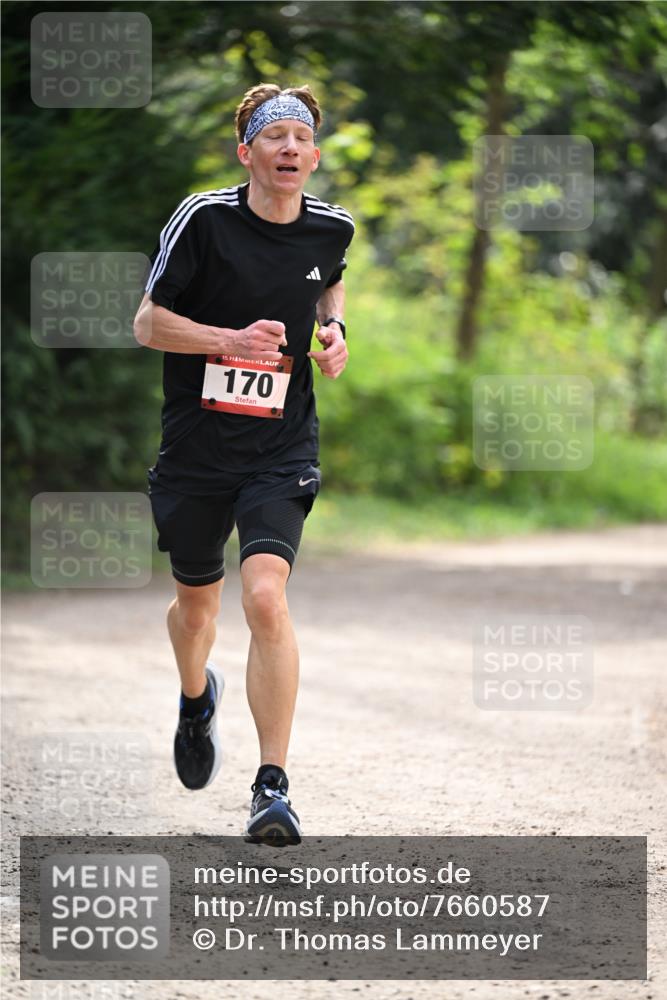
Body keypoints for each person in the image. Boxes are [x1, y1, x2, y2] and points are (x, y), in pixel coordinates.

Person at [133, 84, 354, 846]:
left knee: (265, 597)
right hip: (196, 446)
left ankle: (272, 787)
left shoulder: (332, 227)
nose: (289, 148)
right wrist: (226, 341)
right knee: (197, 610)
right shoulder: (202, 220)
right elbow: (147, 323)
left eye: (301, 138)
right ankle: (197, 699)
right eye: (274, 137)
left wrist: (334, 331)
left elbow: (329, 279)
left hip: (279, 446)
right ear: (246, 153)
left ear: (314, 156)